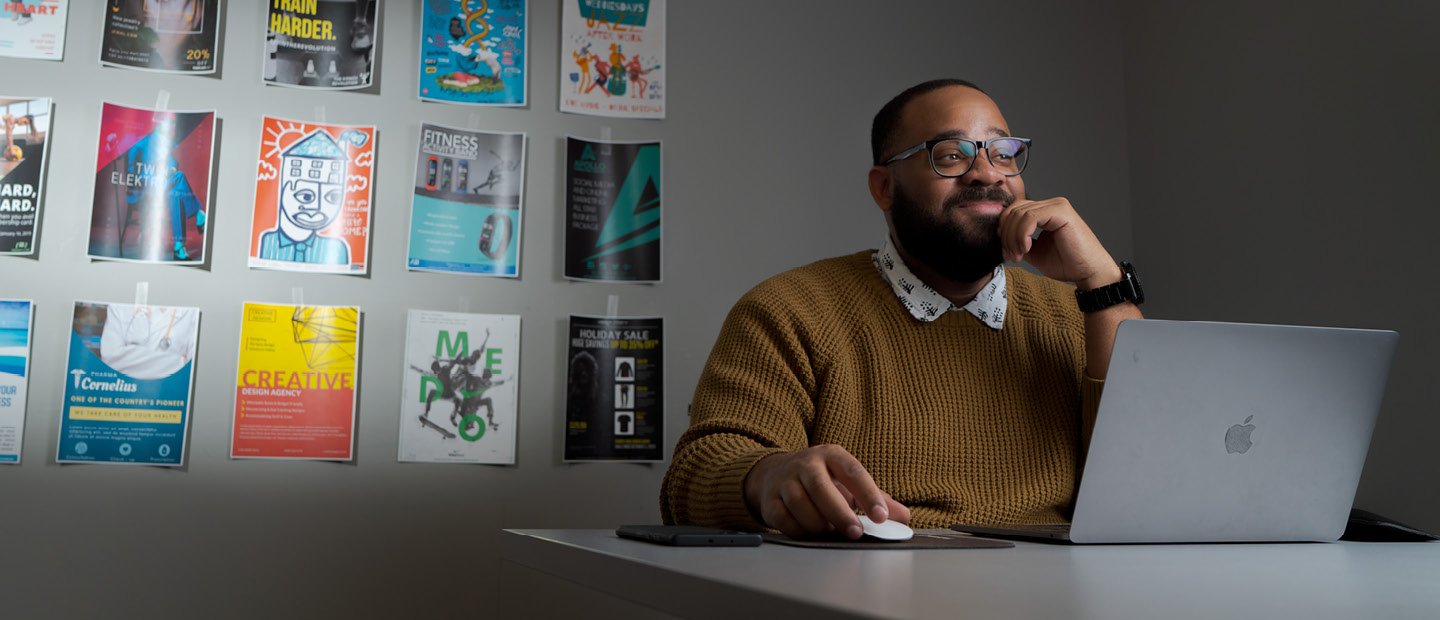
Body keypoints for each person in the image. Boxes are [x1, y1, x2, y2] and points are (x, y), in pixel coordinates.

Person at [660, 79, 1144, 540]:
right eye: (951, 155)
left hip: (1058, 593)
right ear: (884, 188)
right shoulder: (790, 310)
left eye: (1004, 153)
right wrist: (765, 475)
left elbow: (1153, 477)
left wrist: (1103, 284)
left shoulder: (1081, 314)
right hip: (866, 586)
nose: (988, 173)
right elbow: (693, 476)